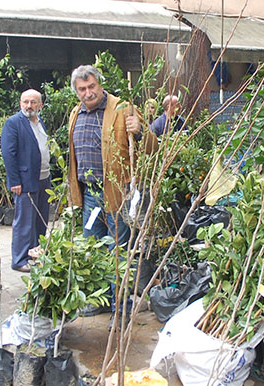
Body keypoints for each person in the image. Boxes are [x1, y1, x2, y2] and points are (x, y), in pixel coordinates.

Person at [67, 65, 157, 327]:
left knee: (118, 252)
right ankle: (100, 301)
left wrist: (139, 130)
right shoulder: (76, 113)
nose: (88, 92)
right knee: (91, 251)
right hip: (90, 195)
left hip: (119, 192)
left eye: (92, 86)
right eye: (82, 89)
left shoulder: (122, 109)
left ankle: (122, 310)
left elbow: (152, 147)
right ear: (77, 92)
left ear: (100, 85)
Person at [1, 89, 51, 272]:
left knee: (40, 220)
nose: (29, 105)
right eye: (25, 102)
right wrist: (14, 181)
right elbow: (8, 154)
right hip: (25, 180)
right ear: (20, 103)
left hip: (44, 179)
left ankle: (36, 254)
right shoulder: (13, 123)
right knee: (24, 222)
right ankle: (19, 259)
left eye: (33, 102)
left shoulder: (40, 122)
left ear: (40, 105)